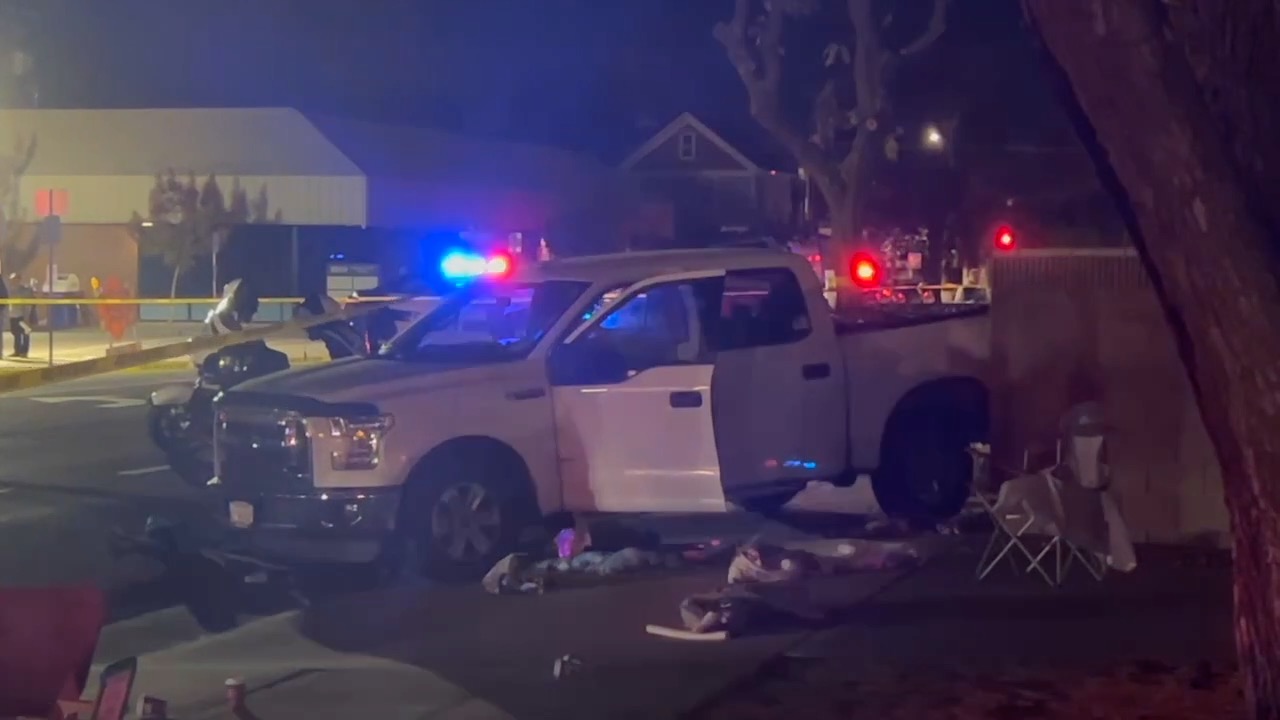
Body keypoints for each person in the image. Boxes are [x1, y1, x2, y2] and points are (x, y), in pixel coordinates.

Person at [8, 274, 32, 357]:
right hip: (13, 316)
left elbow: (28, 305)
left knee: (25, 333)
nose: (13, 281)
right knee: (16, 334)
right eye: (12, 279)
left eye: (15, 279)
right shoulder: (10, 290)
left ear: (19, 279)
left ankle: (24, 352)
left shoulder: (24, 290)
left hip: (22, 315)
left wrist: (27, 317)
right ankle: (17, 351)